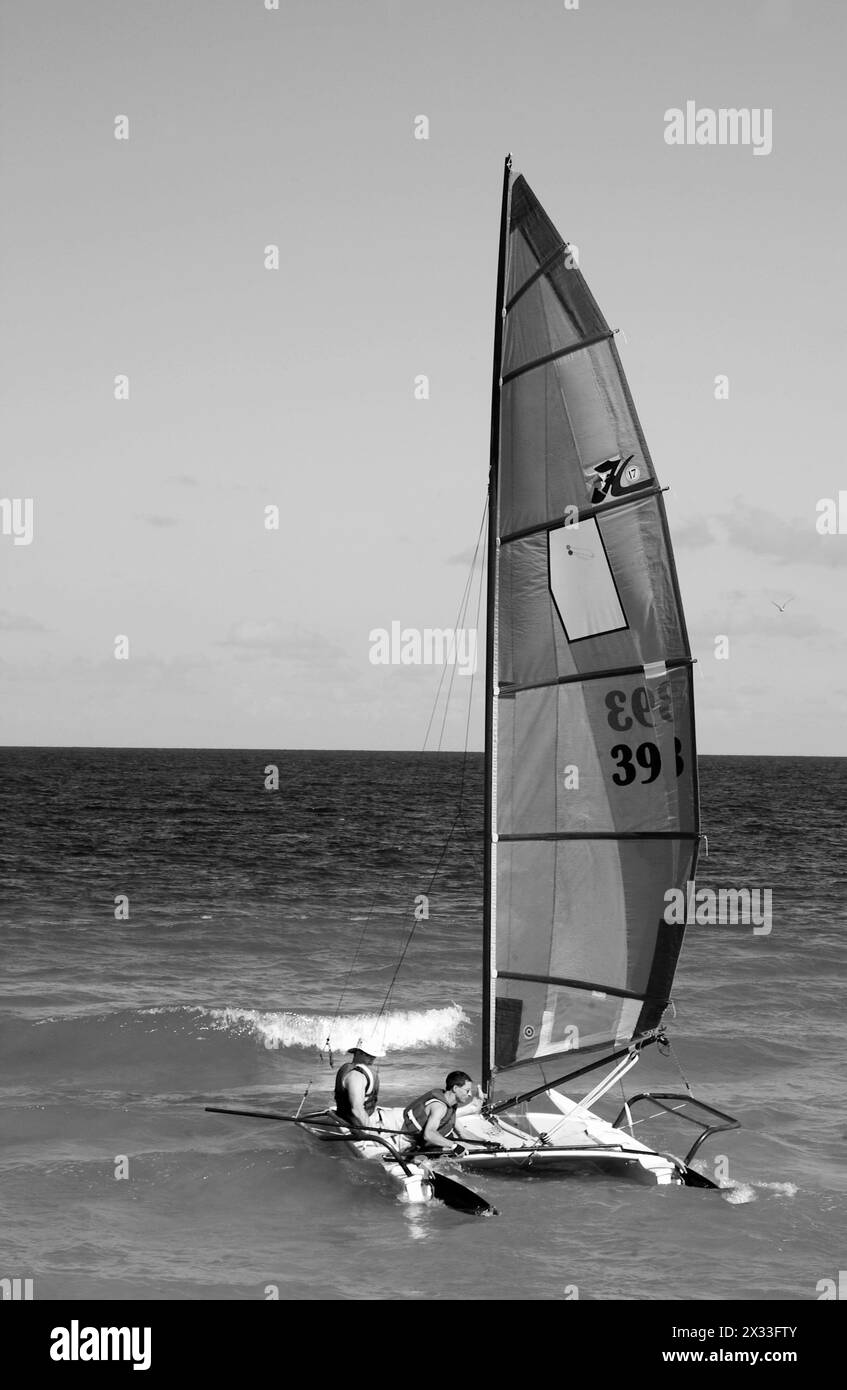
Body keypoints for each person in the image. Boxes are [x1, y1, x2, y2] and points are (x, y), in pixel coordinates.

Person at [402, 1071, 479, 1155]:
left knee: (465, 1146)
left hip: (428, 1143)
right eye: (467, 1090)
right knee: (461, 1147)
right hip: (412, 1146)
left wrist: (485, 1142)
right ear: (455, 1088)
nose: (470, 1094)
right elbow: (429, 1134)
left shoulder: (451, 1105)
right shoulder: (439, 1107)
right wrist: (454, 1146)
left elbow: (462, 1132)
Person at [333, 1040, 384, 1132]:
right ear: (358, 1053)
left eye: (374, 1056)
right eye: (369, 1055)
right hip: (358, 1124)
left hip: (349, 1117)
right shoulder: (356, 1075)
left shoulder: (348, 1068)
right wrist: (371, 1132)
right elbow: (357, 1110)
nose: (372, 1059)